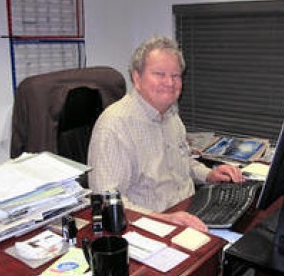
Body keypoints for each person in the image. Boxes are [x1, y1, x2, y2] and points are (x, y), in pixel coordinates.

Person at [87, 35, 244, 232]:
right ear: (137, 78)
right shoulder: (114, 126)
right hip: (151, 227)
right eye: (160, 74)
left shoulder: (170, 114)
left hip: (190, 212)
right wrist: (163, 219)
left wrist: (210, 175)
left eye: (176, 75)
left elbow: (182, 161)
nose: (170, 83)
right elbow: (107, 201)